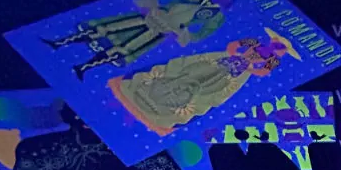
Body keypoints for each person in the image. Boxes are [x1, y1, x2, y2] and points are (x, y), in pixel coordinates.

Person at [108, 29, 301, 137]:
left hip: (237, 74)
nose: (277, 47)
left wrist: (250, 68)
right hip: (221, 60)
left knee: (208, 91)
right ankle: (144, 90)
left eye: (281, 47)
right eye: (278, 43)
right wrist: (234, 54)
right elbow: (233, 45)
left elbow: (263, 72)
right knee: (189, 71)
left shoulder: (273, 60)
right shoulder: (254, 42)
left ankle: (164, 113)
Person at [42, 0, 232, 80]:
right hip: (152, 17)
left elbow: (202, 34)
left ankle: (84, 67)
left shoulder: (215, 18)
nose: (217, 1)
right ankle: (60, 42)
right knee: (107, 29)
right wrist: (153, 2)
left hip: (160, 31)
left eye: (221, 2)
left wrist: (185, 33)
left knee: (124, 49)